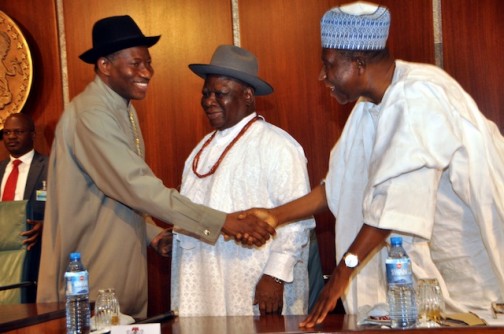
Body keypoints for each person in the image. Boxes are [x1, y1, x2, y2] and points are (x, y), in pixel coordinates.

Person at [244, 1, 504, 327]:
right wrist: (274, 215)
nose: (322, 75)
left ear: (358, 63)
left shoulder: (418, 96)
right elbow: (337, 187)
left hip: (472, 266)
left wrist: (342, 272)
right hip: (432, 274)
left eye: (329, 64)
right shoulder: (369, 106)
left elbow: (395, 203)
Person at [36, 16, 275, 318]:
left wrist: (150, 233)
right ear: (105, 65)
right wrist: (221, 222)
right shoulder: (92, 114)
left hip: (115, 281)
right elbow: (136, 186)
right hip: (89, 283)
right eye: (135, 64)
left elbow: (112, 195)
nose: (147, 72)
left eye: (147, 63)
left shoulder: (121, 107)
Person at [170, 45, 315, 316]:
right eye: (205, 93)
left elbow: (297, 222)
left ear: (248, 95)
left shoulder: (278, 145)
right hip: (201, 287)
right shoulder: (200, 150)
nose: (208, 101)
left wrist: (274, 277)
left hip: (255, 286)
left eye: (220, 93)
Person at [0, 113, 47, 302]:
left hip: (36, 251)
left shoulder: (50, 166)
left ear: (32, 134)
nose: (11, 137)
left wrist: (46, 224)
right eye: (7, 132)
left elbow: (68, 207)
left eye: (18, 132)